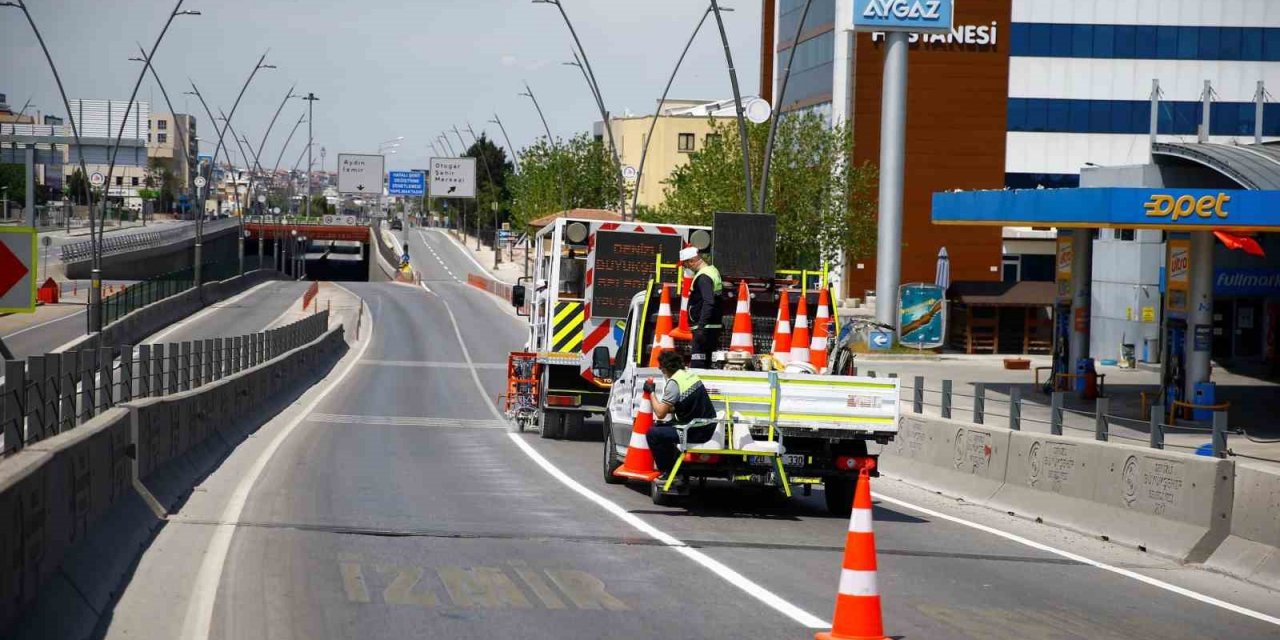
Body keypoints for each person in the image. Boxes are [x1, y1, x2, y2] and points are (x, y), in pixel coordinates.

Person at [645, 351, 718, 482]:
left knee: (653, 433)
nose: (661, 371)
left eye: (661, 368)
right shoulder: (689, 376)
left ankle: (668, 471)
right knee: (662, 428)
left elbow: (660, 413)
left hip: (694, 431)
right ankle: (677, 465)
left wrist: (651, 392)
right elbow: (686, 404)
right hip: (707, 426)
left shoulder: (674, 383)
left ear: (666, 368)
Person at [680, 244, 723, 369]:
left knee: (698, 363)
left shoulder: (703, 277)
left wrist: (701, 327)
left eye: (685, 264)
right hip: (710, 326)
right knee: (706, 363)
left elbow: (708, 301)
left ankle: (698, 388)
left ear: (692, 261)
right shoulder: (712, 271)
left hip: (705, 327)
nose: (685, 267)